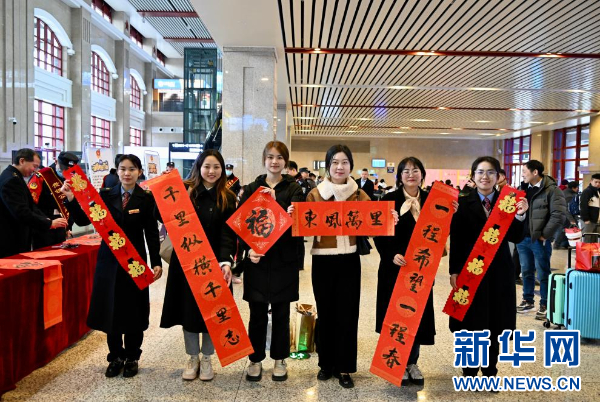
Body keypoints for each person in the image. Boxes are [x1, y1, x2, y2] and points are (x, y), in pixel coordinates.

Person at [61, 154, 163, 378]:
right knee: (112, 310)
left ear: (139, 172)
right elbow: (84, 220)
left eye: (132, 169)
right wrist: (70, 198)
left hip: (135, 263)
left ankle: (132, 356)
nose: (127, 173)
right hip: (109, 263)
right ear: (117, 171)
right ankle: (115, 357)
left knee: (134, 310)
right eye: (123, 169)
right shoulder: (106, 195)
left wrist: (156, 261)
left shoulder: (146, 198)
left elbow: (151, 232)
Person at [308, 145, 393, 389]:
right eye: (335, 162)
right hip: (322, 260)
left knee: (347, 313)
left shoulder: (359, 194)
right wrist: (295, 214)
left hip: (349, 260)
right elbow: (305, 225)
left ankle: (345, 367)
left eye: (344, 162)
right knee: (326, 312)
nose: (339, 167)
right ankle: (326, 364)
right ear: (328, 166)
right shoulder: (315, 194)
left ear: (351, 166)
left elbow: (373, 224)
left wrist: (389, 219)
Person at [374, 157, 451, 386]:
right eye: (406, 171)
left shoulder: (433, 201)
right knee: (396, 316)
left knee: (416, 316)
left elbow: (441, 232)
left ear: (422, 175)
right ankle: (395, 362)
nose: (411, 174)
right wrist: (391, 254)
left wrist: (452, 213)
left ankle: (412, 362)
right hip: (394, 268)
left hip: (421, 270)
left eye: (415, 170)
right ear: (399, 176)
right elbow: (379, 233)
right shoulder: (388, 200)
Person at [160, 150, 236, 381]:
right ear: (198, 167)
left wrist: (226, 262)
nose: (211, 171)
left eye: (216, 167)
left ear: (222, 170)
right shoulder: (184, 190)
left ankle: (207, 358)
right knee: (189, 312)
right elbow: (161, 215)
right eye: (207, 166)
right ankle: (192, 357)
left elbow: (228, 233)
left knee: (213, 313)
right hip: (186, 262)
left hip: (214, 262)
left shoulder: (227, 197)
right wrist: (162, 190)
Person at [449, 156, 528, 379]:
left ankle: (491, 370)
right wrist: (454, 270)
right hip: (470, 271)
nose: (485, 176)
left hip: (499, 271)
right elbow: (457, 240)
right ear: (473, 176)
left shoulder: (508, 202)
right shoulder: (462, 203)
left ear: (498, 176)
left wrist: (520, 215)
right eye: (480, 172)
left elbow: (516, 237)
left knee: (496, 321)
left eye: (490, 172)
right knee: (470, 320)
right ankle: (469, 370)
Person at [240, 141, 302, 382]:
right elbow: (241, 224)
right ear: (264, 159)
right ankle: (255, 359)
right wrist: (248, 251)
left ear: (285, 161)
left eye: (279, 157)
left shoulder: (294, 189)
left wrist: (276, 201)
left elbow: (298, 224)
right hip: (258, 260)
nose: (274, 161)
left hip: (284, 259)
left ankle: (279, 358)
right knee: (256, 313)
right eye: (270, 157)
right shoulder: (252, 187)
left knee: (281, 313)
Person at [515, 160, 566, 320]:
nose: (522, 175)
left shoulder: (552, 190)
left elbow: (558, 215)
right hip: (523, 238)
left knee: (543, 272)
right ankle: (528, 300)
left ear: (535, 172)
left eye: (524, 171)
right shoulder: (522, 189)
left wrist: (545, 234)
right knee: (526, 271)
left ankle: (545, 304)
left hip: (539, 240)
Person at [0, 149, 67, 258]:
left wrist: (46, 220)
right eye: (34, 166)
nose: (35, 170)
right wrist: (49, 223)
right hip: (12, 237)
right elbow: (21, 212)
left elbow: (30, 205)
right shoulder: (12, 180)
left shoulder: (15, 176)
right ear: (22, 161)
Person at [31, 151, 80, 249]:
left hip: (62, 223)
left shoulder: (73, 178)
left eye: (69, 170)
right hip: (44, 223)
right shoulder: (42, 175)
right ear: (56, 161)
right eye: (63, 169)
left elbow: (71, 203)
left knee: (62, 252)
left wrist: (69, 226)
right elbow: (31, 203)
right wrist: (46, 222)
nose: (65, 172)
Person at [555, 181, 580, 249]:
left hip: (562, 215)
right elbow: (566, 209)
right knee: (563, 230)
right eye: (577, 187)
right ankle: (557, 245)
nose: (578, 189)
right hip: (565, 216)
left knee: (563, 230)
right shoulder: (569, 196)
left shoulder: (565, 192)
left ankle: (562, 244)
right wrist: (571, 219)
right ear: (573, 188)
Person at [580, 173, 600, 240]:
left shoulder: (598, 192)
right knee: (587, 239)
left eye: (599, 182)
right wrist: (586, 219)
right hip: (588, 220)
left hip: (595, 220)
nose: (598, 184)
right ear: (591, 181)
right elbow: (583, 205)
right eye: (596, 182)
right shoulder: (587, 191)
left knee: (594, 240)